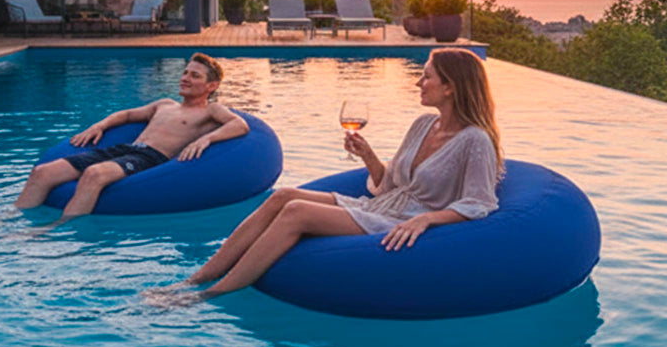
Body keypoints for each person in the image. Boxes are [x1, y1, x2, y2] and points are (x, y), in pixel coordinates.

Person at [145, 47, 502, 305]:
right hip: (385, 204)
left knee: (297, 213)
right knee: (283, 195)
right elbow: (391, 183)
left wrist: (427, 219)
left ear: (451, 86)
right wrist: (368, 155)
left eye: (426, 75)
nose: (418, 82)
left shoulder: (475, 140)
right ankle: (197, 277)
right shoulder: (424, 124)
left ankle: (210, 295)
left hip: (402, 218)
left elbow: (479, 202)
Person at [15, 53, 249, 224]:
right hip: (125, 149)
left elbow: (239, 125)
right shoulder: (165, 104)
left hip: (151, 157)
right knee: (42, 172)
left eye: (194, 75)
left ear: (212, 85)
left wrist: (205, 140)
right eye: (185, 72)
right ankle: (10, 220)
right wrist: (99, 125)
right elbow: (127, 115)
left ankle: (56, 230)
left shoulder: (211, 111)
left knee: (94, 174)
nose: (185, 78)